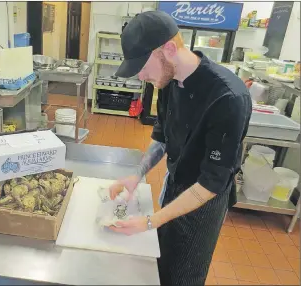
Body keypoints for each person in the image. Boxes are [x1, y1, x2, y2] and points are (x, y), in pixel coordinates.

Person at [108, 11, 252, 285]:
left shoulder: (228, 98)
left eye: (142, 66)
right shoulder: (168, 81)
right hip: (175, 184)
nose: (140, 76)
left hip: (204, 200)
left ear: (169, 49)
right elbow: (162, 138)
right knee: (162, 262)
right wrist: (136, 175)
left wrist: (150, 221)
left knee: (183, 276)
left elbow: (211, 183)